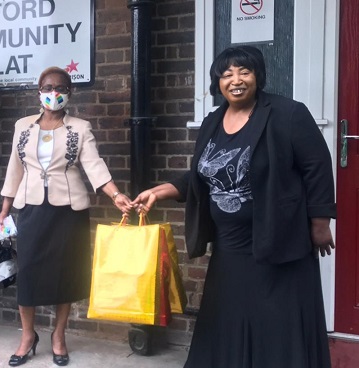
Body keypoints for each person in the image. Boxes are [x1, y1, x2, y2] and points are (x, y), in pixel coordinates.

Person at [133, 45, 335, 368]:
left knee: (276, 326)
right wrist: (160, 191)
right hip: (230, 248)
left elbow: (318, 166)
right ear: (218, 82)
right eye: (227, 74)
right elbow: (203, 174)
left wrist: (320, 222)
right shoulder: (214, 121)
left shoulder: (288, 114)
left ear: (258, 76)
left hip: (279, 242)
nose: (236, 80)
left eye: (244, 72)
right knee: (226, 320)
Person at [0, 66, 134, 367]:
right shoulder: (23, 126)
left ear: (69, 93)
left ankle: (59, 336)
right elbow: (14, 169)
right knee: (28, 274)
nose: (53, 93)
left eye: (60, 88)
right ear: (39, 91)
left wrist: (115, 194)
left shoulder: (79, 128)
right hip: (30, 207)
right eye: (47, 87)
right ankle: (28, 336)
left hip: (68, 211)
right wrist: (5, 207)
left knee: (64, 274)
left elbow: (94, 165)